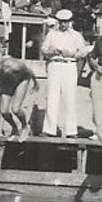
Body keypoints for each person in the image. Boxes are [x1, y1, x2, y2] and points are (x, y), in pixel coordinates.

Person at [41, 8, 89, 138]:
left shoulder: (76, 35)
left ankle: (71, 131)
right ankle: (49, 129)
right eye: (61, 22)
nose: (63, 24)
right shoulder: (52, 34)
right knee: (52, 97)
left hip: (69, 65)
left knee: (70, 98)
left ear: (70, 22)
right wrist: (51, 52)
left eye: (66, 22)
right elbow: (43, 49)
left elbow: (84, 51)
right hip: (55, 64)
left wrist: (73, 54)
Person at [0, 41, 37, 138]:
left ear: (3, 63)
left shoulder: (13, 65)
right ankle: (14, 128)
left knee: (15, 109)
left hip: (22, 79)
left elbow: (28, 71)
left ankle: (25, 126)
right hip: (8, 81)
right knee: (4, 111)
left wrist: (35, 84)